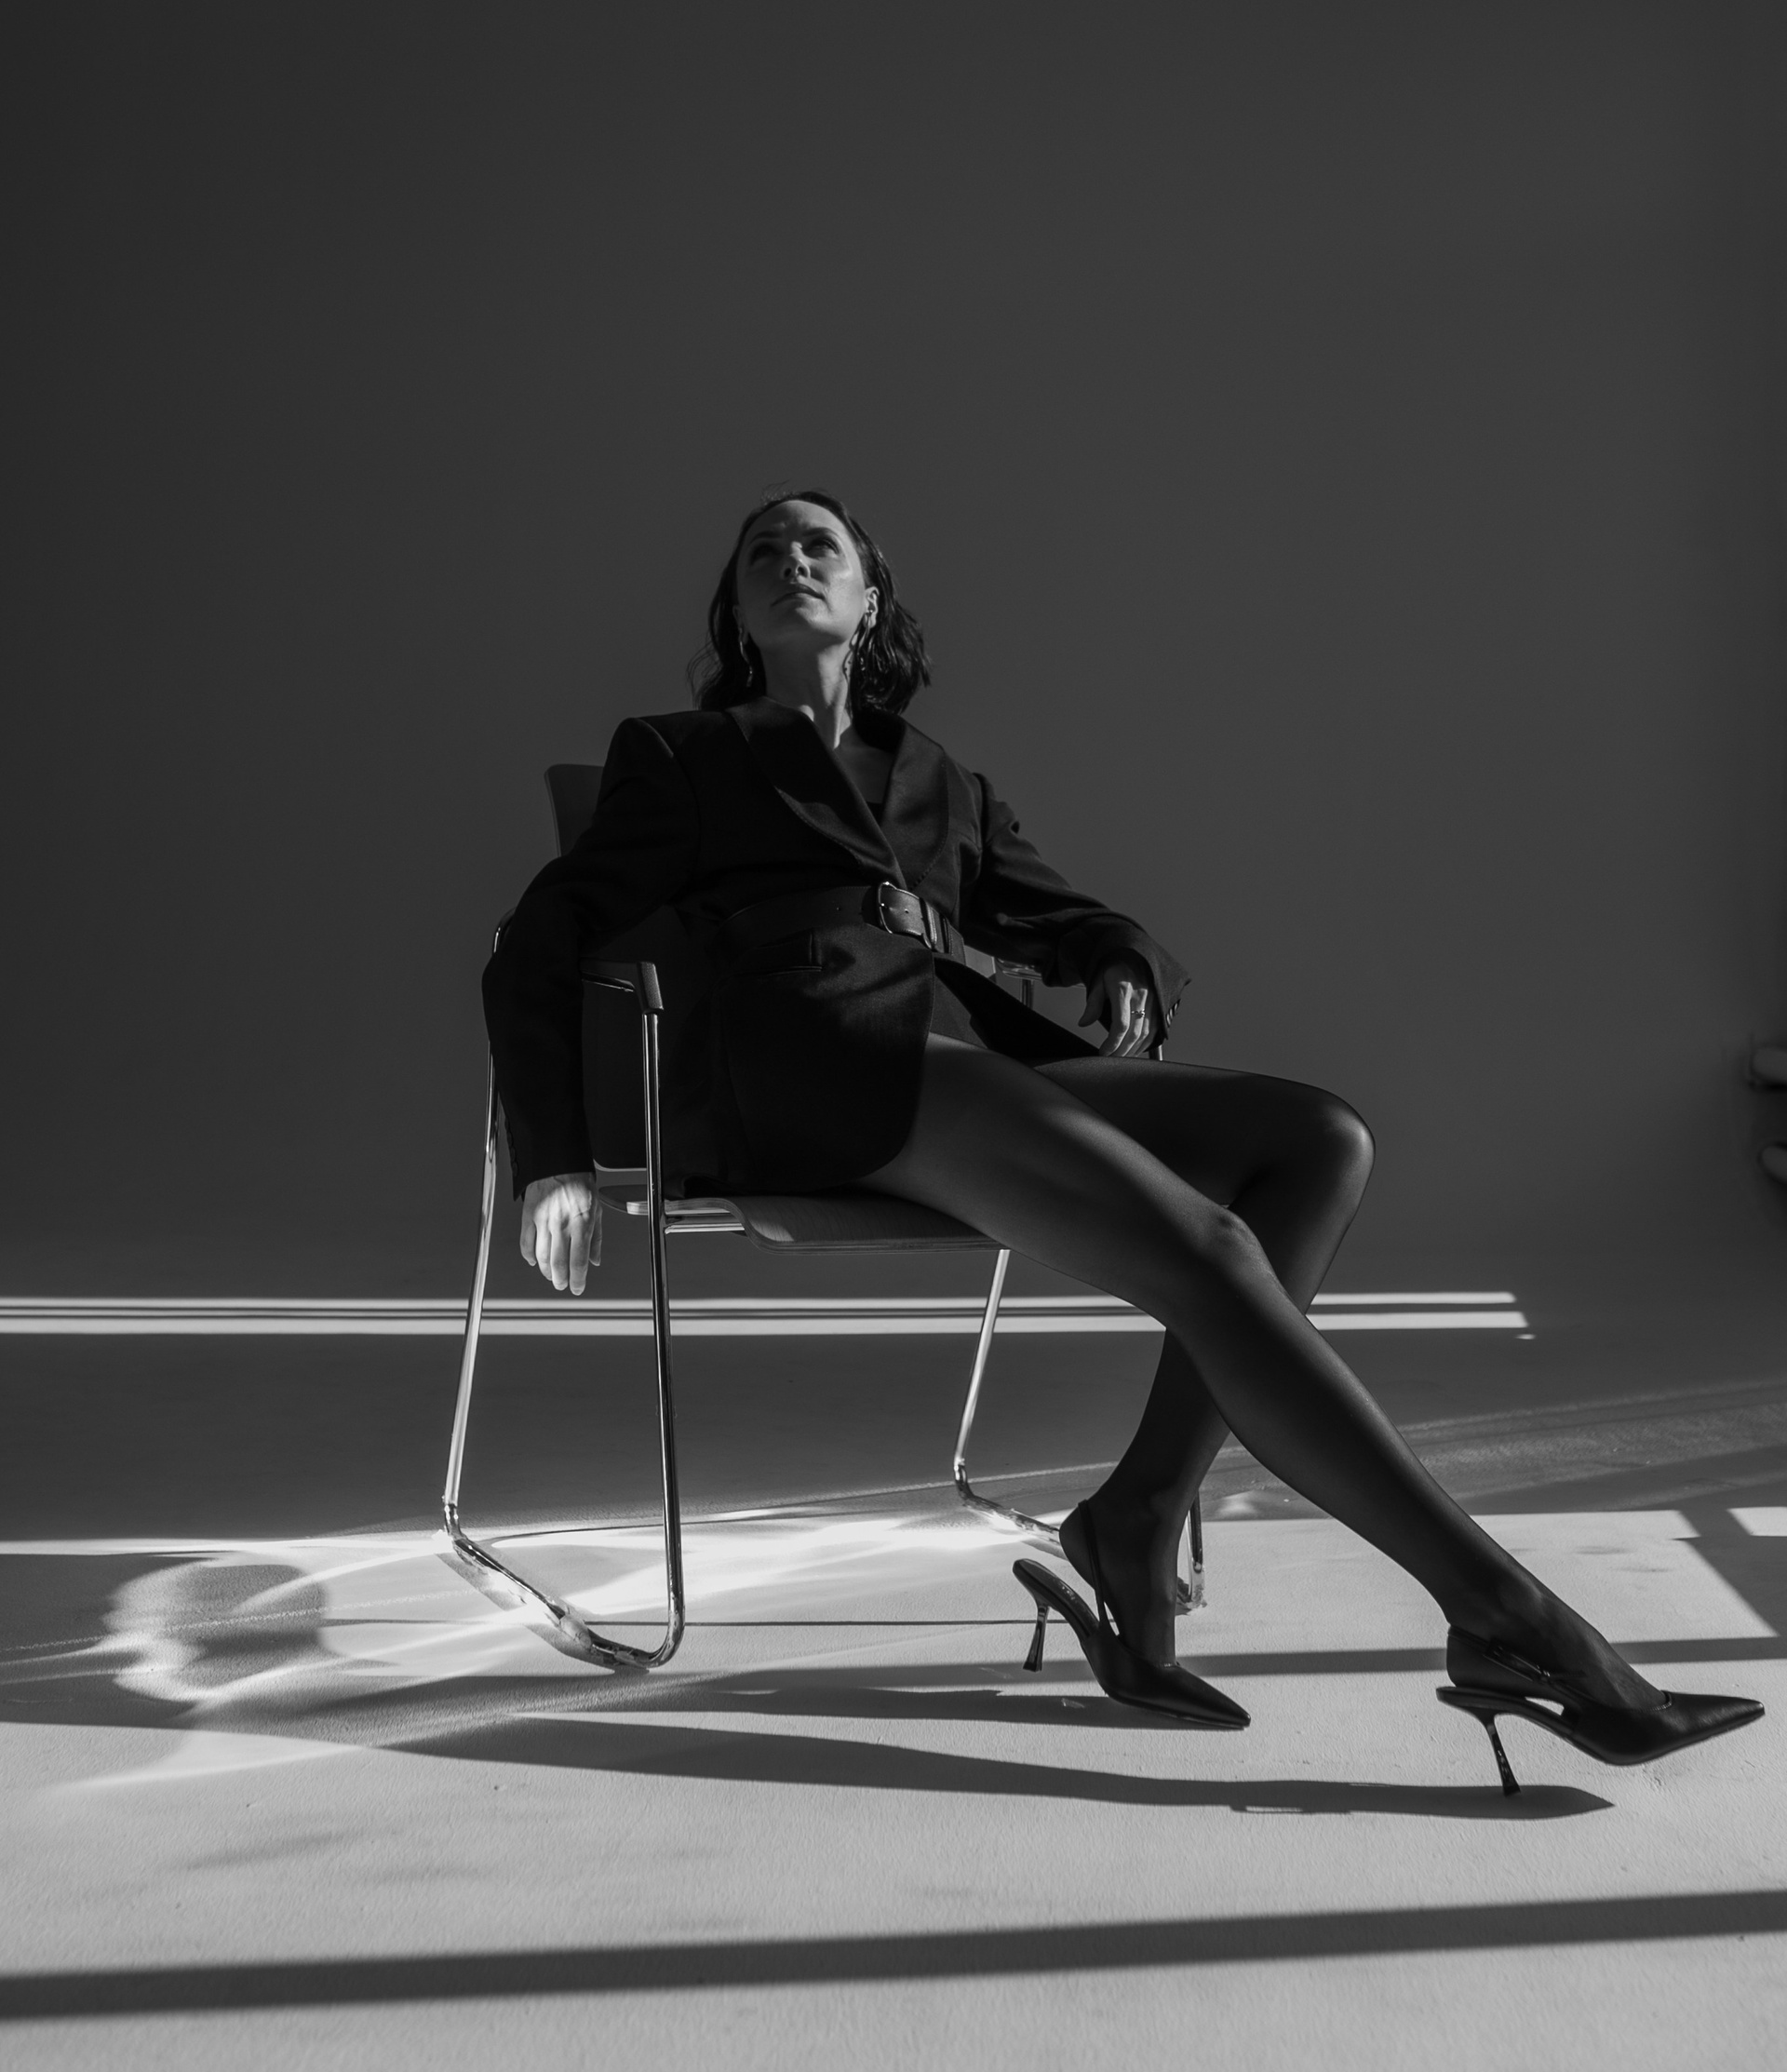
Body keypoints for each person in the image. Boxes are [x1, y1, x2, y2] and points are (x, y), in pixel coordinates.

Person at [483, 487, 1761, 1783]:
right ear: (738, 611)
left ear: (869, 600)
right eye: (763, 550)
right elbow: (538, 939)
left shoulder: (940, 779)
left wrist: (1118, 958)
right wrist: (554, 1156)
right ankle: (1510, 1615)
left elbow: (1058, 913)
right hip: (806, 1073)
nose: (790, 559)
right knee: (1210, 1246)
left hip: (957, 1067)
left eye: (821, 545)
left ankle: (1139, 1515)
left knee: (1318, 1139)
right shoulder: (684, 753)